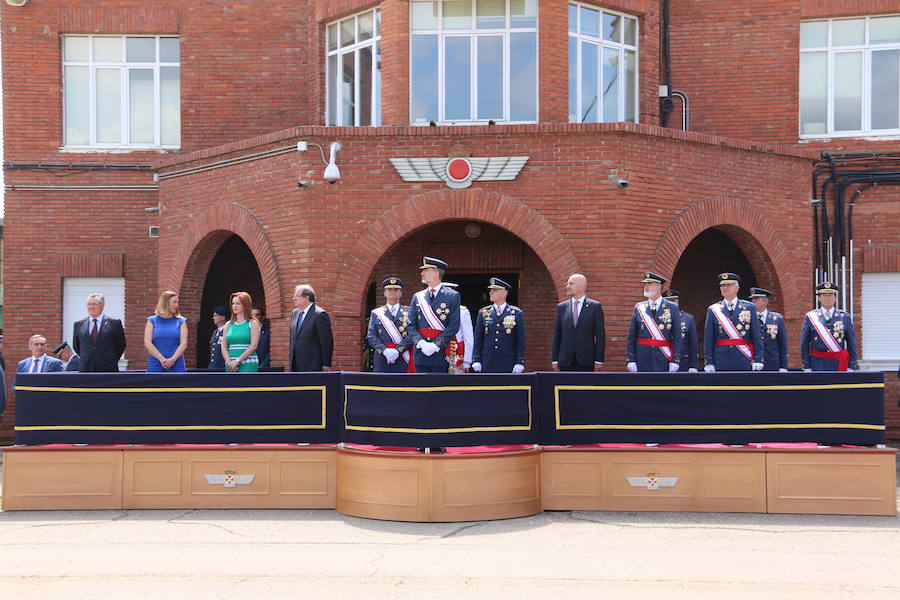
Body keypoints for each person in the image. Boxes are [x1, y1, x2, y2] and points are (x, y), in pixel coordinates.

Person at [408, 257, 461, 373]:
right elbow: (411, 325)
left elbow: (454, 325)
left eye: (426, 270)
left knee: (439, 389)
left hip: (440, 353)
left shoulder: (452, 296)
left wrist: (436, 345)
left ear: (436, 273)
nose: (422, 273)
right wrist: (421, 343)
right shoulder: (417, 297)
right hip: (420, 353)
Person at [703, 273, 764, 372]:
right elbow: (709, 338)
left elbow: (756, 335)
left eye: (729, 285)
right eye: (722, 285)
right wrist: (709, 362)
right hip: (720, 359)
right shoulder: (713, 309)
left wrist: (758, 359)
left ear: (737, 288)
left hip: (743, 358)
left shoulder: (749, 308)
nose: (725, 288)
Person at [626, 272, 682, 373]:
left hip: (663, 359)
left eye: (649, 284)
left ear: (658, 286)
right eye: (645, 284)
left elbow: (677, 337)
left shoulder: (672, 308)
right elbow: (631, 337)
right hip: (642, 359)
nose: (646, 286)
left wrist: (675, 360)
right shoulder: (639, 308)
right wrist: (631, 359)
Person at [551, 273, 605, 371]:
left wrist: (599, 360)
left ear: (581, 287)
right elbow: (557, 335)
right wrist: (554, 359)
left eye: (571, 284)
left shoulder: (595, 307)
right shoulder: (562, 307)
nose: (567, 286)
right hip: (565, 361)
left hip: (586, 360)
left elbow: (600, 335)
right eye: (568, 284)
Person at [800, 282, 858, 372]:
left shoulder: (844, 317)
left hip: (838, 363)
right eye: (824, 295)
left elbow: (851, 343)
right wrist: (807, 366)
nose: (827, 298)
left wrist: (852, 365)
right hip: (817, 363)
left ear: (835, 298)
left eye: (830, 295)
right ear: (819, 298)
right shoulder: (811, 317)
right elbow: (804, 344)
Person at [472, 277, 526, 373]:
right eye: (490, 290)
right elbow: (478, 339)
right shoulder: (484, 312)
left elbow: (520, 340)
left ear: (504, 292)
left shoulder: (516, 313)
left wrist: (520, 361)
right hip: (487, 360)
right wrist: (476, 359)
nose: (491, 293)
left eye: (495, 290)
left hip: (507, 361)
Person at [366, 277, 414, 373]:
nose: (392, 292)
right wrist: (385, 351)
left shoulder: (409, 312)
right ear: (384, 293)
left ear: (400, 293)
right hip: (382, 358)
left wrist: (398, 350)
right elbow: (371, 336)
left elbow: (412, 335)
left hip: (403, 357)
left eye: (396, 290)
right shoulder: (376, 313)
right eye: (389, 290)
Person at [73, 293, 127, 372]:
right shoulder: (78, 324)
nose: (91, 307)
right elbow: (76, 346)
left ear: (102, 306)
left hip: (107, 368)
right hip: (86, 368)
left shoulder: (114, 323)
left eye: (94, 304)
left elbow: (121, 345)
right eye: (89, 304)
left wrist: (110, 359)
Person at [289, 284, 334, 372]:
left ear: (306, 298)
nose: (293, 298)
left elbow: (326, 342)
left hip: (312, 365)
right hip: (295, 364)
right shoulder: (294, 313)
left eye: (296, 296)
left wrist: (326, 364)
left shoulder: (319, 315)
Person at [144, 291, 188, 373]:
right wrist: (162, 360)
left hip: (177, 364)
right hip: (156, 364)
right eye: (174, 302)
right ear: (165, 302)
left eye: (177, 302)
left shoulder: (181, 321)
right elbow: (148, 343)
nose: (177, 305)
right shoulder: (152, 321)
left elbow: (184, 343)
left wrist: (172, 360)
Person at [749, 287, 788, 372]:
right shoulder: (748, 318)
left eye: (756, 299)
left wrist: (783, 366)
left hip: (772, 363)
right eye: (752, 299)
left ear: (765, 301)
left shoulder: (777, 319)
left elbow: (782, 344)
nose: (753, 301)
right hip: (753, 363)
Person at [221, 291, 261, 372]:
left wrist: (237, 361)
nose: (234, 306)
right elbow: (223, 346)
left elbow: (254, 346)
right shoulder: (228, 325)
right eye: (233, 303)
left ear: (245, 305)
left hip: (248, 363)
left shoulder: (253, 323)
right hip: (230, 364)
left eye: (238, 303)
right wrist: (229, 362)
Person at [662, 289, 699, 372]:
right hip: (663, 361)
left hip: (682, 362)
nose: (670, 304)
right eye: (668, 301)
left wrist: (693, 365)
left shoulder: (688, 318)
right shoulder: (658, 319)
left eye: (673, 301)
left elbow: (693, 344)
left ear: (677, 301)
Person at [442, 282, 474, 374]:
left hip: (455, 353)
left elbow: (468, 337)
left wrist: (467, 361)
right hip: (439, 352)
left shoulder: (462, 312)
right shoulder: (436, 311)